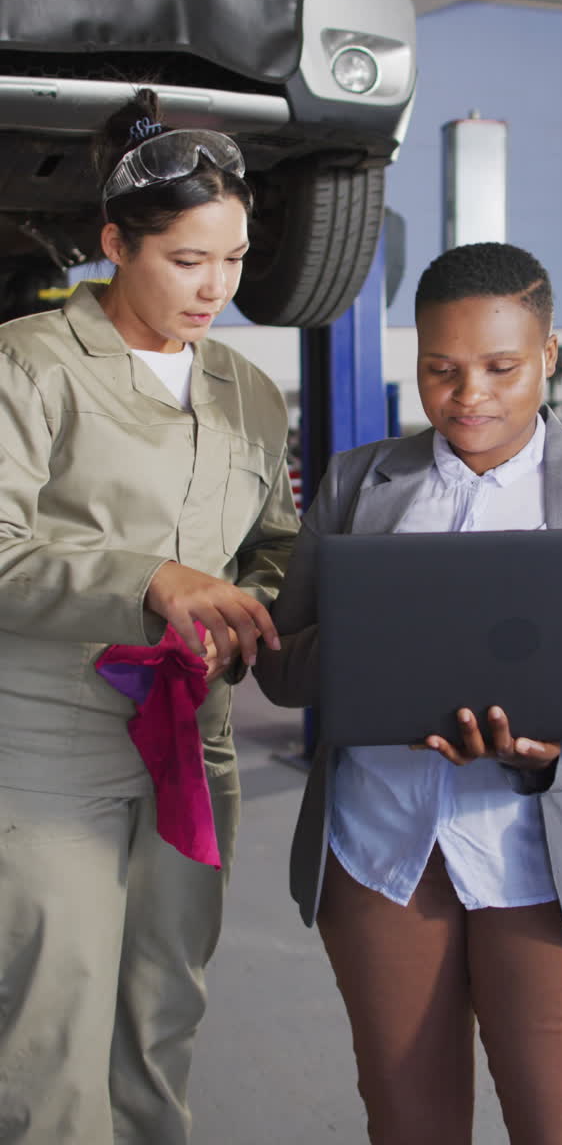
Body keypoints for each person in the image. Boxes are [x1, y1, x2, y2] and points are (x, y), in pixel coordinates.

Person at [255, 241, 562, 1145]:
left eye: (500, 366)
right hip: (383, 856)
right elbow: (284, 672)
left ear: (550, 356)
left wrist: (554, 754)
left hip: (551, 865)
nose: (468, 394)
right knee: (410, 1125)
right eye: (440, 369)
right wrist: (387, 630)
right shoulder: (358, 484)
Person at [0, 89, 299, 1144]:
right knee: (52, 1020)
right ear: (115, 241)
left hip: (192, 738)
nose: (215, 286)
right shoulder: (29, 365)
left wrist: (248, 607)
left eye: (232, 258)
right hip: (50, 741)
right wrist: (152, 578)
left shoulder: (250, 392)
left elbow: (271, 548)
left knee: (165, 1000)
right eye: (186, 259)